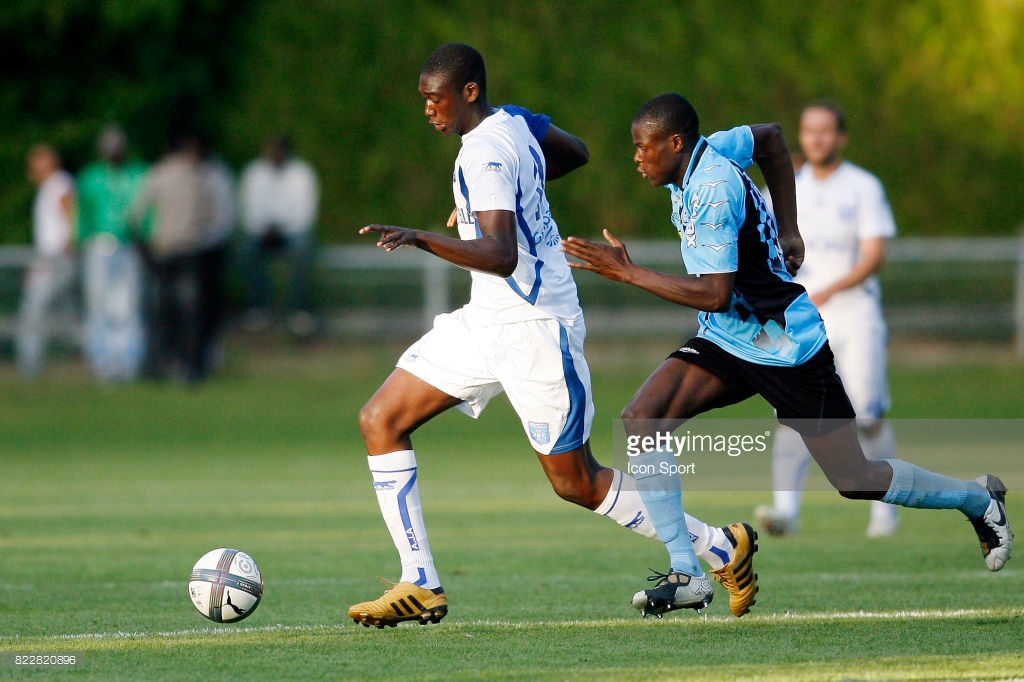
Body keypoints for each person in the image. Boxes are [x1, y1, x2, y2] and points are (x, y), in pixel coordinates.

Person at [348, 44, 758, 629]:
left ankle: (722, 548)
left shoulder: (486, 149)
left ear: (468, 93)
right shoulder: (513, 122)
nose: (428, 110)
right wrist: (497, 200)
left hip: (535, 328)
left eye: (435, 99)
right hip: (485, 319)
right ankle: (421, 582)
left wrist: (419, 236)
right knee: (380, 419)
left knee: (578, 482)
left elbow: (497, 252)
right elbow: (575, 153)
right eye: (423, 101)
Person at [561, 93, 1012, 618]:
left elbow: (715, 293)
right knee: (642, 421)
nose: (637, 158)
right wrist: (789, 226)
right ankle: (688, 573)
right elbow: (773, 138)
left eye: (644, 148)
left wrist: (628, 273)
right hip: (729, 336)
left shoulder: (711, 188)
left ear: (676, 143)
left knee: (854, 478)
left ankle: (978, 498)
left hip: (785, 344)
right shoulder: (713, 149)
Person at [755, 103, 901, 538]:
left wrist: (831, 289)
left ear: (841, 138)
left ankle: (884, 510)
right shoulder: (783, 189)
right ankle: (786, 512)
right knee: (795, 410)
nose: (817, 139)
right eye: (809, 131)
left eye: (826, 132)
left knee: (867, 416)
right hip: (800, 319)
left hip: (854, 315)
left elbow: (874, 256)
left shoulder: (863, 187)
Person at [130, 131, 212, 384]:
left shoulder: (158, 174)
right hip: (189, 251)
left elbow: (135, 214)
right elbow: (210, 214)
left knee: (159, 311)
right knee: (190, 313)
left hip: (161, 251)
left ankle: (156, 365)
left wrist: (143, 245)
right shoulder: (196, 176)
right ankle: (189, 368)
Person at [76, 124, 149, 382]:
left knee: (128, 305)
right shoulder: (91, 176)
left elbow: (148, 211)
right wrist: (80, 239)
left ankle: (128, 362)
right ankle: (102, 363)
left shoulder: (137, 173)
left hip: (128, 245)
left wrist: (147, 236)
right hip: (99, 245)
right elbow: (83, 213)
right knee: (99, 306)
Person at [238, 135, 319, 336]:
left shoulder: (302, 173)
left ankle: (298, 309)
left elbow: (305, 211)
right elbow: (248, 207)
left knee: (302, 250)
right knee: (247, 252)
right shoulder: (254, 172)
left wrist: (281, 227)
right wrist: (264, 227)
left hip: (292, 232)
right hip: (261, 232)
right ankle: (258, 307)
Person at [17, 144, 77, 378]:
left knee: (34, 310)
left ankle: (29, 365)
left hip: (56, 259)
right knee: (65, 311)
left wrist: (68, 247)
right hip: (47, 259)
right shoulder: (48, 187)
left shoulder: (59, 183)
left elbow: (71, 215)